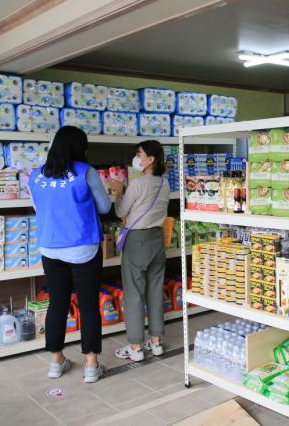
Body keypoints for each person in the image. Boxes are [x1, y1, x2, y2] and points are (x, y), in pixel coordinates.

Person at [29, 126, 111, 383]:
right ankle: (91, 365)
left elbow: (37, 208)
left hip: (50, 247)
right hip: (82, 246)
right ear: (80, 148)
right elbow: (105, 207)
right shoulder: (86, 172)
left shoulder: (36, 175)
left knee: (58, 303)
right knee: (87, 305)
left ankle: (56, 363)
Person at [108, 140, 170, 361]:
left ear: (150, 159)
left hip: (137, 241)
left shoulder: (138, 184)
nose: (137, 158)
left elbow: (121, 211)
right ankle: (156, 342)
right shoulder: (164, 184)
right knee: (155, 291)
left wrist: (118, 192)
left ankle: (135, 347)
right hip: (157, 239)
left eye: (139, 154)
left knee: (134, 294)